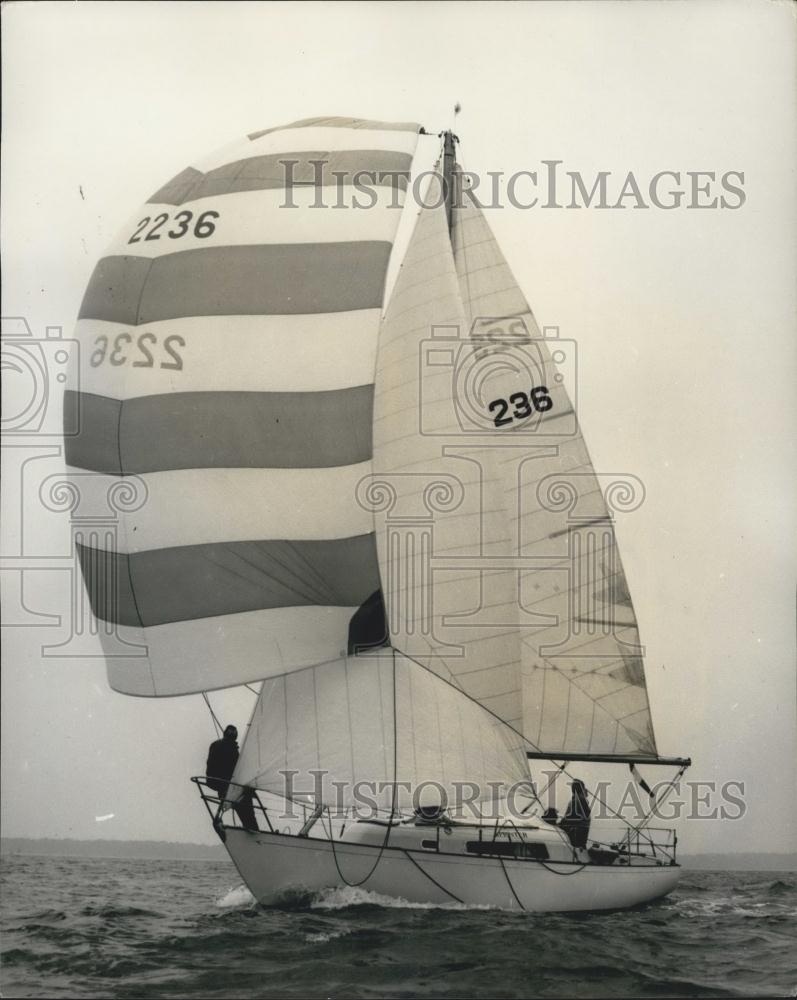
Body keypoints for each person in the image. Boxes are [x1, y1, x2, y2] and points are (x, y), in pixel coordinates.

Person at [206, 725, 259, 832]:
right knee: (250, 822)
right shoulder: (232, 750)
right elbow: (239, 770)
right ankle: (253, 833)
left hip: (223, 788)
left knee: (247, 819)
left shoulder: (216, 746)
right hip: (234, 790)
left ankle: (220, 822)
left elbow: (212, 771)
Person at [559, 778, 591, 849]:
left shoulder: (578, 801)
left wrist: (557, 825)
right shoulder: (579, 801)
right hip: (578, 840)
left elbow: (571, 819)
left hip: (575, 841)